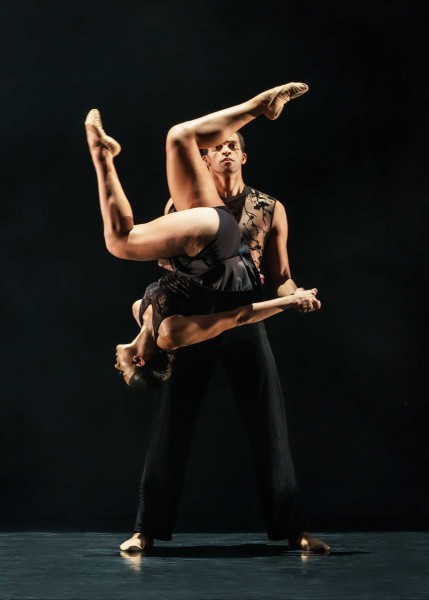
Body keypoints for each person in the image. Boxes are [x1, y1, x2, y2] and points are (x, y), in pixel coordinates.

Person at [119, 88, 330, 553]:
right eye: (218, 148)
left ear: (244, 156)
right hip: (196, 319)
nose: (227, 151)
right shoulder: (187, 212)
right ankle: (146, 529)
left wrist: (299, 295)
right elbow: (166, 280)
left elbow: (281, 278)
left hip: (245, 319)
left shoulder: (271, 209)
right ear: (206, 162)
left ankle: (293, 530)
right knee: (173, 422)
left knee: (268, 422)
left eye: (234, 145)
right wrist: (151, 331)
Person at [85, 83, 319, 390]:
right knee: (119, 242)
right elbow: (239, 317)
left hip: (207, 249)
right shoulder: (170, 335)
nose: (118, 366)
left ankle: (104, 154)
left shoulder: (139, 310)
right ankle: (260, 105)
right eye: (124, 371)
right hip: (223, 259)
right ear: (141, 360)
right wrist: (290, 301)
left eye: (232, 146)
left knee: (180, 136)